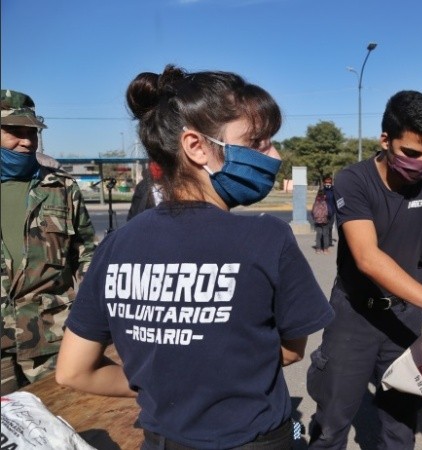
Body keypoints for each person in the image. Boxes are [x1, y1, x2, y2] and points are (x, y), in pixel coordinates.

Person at [54, 65, 335, 449]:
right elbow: (290, 350)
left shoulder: (117, 245)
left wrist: (160, 383)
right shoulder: (267, 238)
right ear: (196, 146)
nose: (275, 154)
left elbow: (73, 371)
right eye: (259, 142)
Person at [306, 90, 422, 449]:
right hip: (355, 316)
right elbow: (367, 257)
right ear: (385, 139)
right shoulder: (353, 180)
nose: (420, 163)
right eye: (410, 153)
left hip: (405, 320)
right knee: (332, 423)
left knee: (399, 426)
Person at [1, 89, 97, 393]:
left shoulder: (62, 187)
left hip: (50, 337)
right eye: (15, 132)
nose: (27, 141)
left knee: (58, 424)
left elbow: (88, 254)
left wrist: (91, 319)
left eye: (32, 132)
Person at [321, 175, 336, 246]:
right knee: (324, 227)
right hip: (324, 212)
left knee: (330, 227)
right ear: (324, 183)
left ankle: (330, 242)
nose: (328, 184)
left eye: (329, 182)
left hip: (332, 212)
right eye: (326, 182)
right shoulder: (322, 191)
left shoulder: (334, 190)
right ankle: (324, 241)